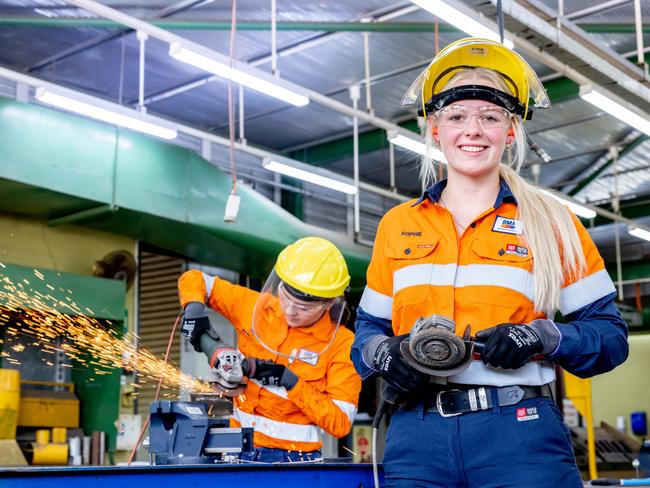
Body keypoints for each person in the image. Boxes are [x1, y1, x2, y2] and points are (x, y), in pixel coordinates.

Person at [351, 37, 629, 487]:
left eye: (490, 116)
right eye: (457, 116)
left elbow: (610, 337)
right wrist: (385, 355)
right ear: (435, 129)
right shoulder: (397, 225)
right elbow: (367, 332)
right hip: (416, 438)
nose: (473, 130)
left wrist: (539, 335)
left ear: (511, 129)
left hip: (517, 435)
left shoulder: (553, 223)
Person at [178, 236, 361, 463]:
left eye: (303, 308)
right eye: (285, 298)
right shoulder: (257, 307)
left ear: (329, 303)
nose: (291, 311)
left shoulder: (343, 345)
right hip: (234, 449)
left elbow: (341, 422)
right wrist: (193, 307)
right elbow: (196, 279)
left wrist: (290, 381)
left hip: (294, 460)